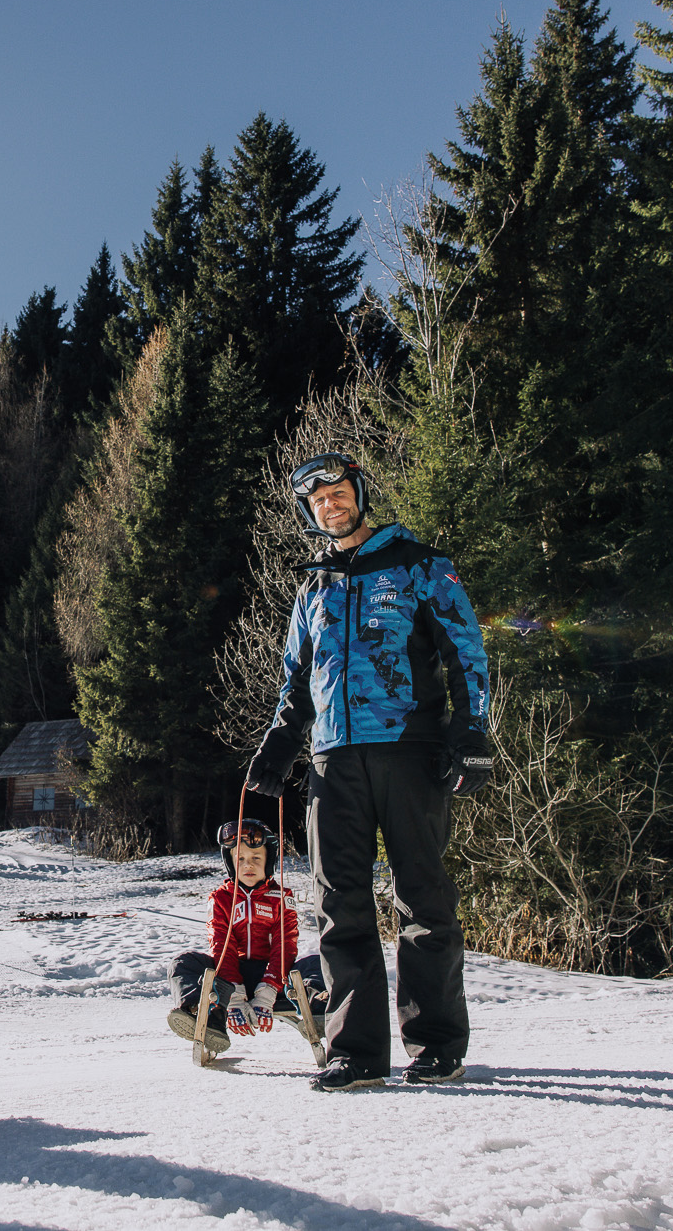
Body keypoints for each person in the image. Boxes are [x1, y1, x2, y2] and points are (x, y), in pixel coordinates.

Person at [245, 453, 491, 1091]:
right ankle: (354, 1052)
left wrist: (471, 733)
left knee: (424, 898)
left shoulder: (418, 564)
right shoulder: (312, 588)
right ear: (310, 513)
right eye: (318, 500)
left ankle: (436, 1045)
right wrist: (280, 742)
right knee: (340, 904)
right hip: (333, 759)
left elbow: (466, 650)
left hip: (409, 748)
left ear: (359, 494)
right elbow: (296, 680)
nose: (331, 504)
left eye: (339, 492)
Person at [166, 818, 325, 1056]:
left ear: (268, 861)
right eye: (240, 859)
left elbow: (285, 944)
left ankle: (320, 1012)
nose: (247, 865)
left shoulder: (281, 897)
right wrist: (235, 992)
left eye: (255, 858)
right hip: (229, 979)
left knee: (318, 963)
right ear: (230, 862)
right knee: (183, 963)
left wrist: (268, 990)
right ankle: (205, 1016)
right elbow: (221, 944)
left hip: (275, 977)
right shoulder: (220, 899)